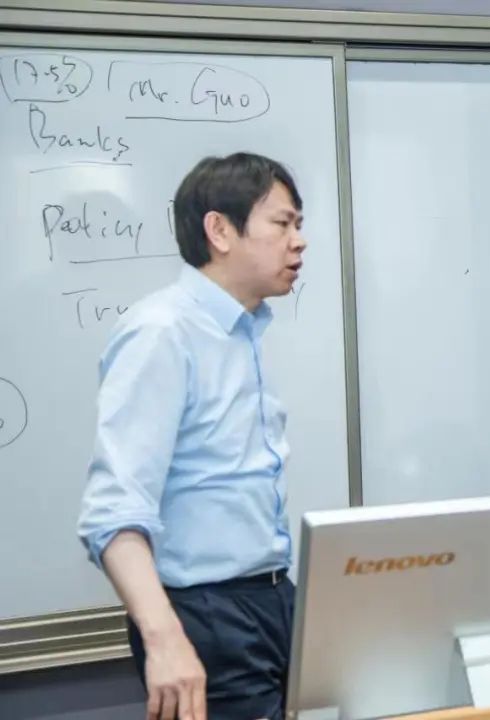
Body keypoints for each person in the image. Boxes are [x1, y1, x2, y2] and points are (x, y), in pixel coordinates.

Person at [78, 152, 308, 720]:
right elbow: (113, 512)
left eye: (298, 225)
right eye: (283, 223)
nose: (299, 241)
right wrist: (164, 639)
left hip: (272, 596)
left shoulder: (242, 332)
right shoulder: (162, 332)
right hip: (205, 613)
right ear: (220, 230)